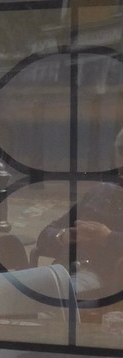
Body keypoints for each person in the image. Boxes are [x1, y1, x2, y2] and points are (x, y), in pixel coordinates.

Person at [35, 127, 123, 299]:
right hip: (61, 272)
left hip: (103, 280)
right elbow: (45, 234)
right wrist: (63, 236)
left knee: (44, 297)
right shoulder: (99, 192)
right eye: (121, 150)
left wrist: (108, 237)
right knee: (8, 289)